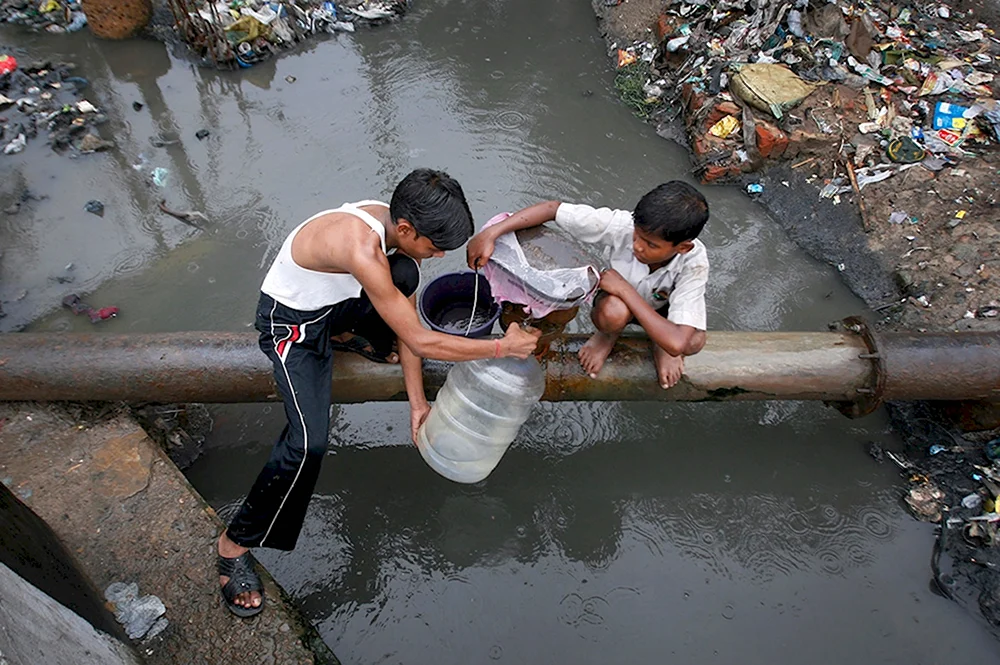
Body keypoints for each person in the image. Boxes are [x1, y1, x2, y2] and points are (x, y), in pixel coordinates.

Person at [217, 168, 540, 617]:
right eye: (434, 246)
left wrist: (418, 402)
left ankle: (345, 334)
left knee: (405, 273)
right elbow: (423, 341)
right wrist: (504, 346)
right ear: (405, 228)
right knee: (307, 444)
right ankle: (232, 547)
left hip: (329, 308)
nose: (438, 254)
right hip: (290, 326)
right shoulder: (360, 246)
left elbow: (408, 321)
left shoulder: (390, 223)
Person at [466, 181, 709, 390]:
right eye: (636, 236)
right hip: (617, 305)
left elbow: (678, 342)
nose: (637, 246)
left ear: (682, 247)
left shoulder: (694, 263)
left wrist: (625, 289)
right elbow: (553, 209)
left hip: (658, 310)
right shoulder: (622, 226)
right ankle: (607, 335)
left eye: (651, 245)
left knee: (693, 342)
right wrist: (492, 233)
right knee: (613, 312)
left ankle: (659, 344)